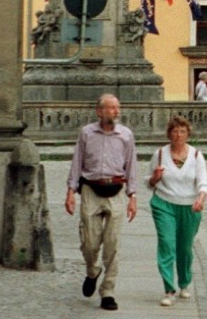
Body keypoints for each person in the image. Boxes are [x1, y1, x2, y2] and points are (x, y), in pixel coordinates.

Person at [65, 93, 139, 313]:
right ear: (99, 111)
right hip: (90, 189)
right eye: (111, 108)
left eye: (118, 107)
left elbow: (131, 165)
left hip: (115, 190)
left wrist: (132, 196)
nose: (116, 111)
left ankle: (108, 291)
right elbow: (77, 161)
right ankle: (92, 270)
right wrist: (70, 192)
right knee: (89, 242)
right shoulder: (86, 133)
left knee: (112, 243)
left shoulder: (126, 135)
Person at [147, 115, 207, 307]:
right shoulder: (159, 154)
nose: (178, 135)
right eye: (175, 131)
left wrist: (200, 198)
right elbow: (148, 182)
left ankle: (184, 282)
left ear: (188, 134)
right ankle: (169, 289)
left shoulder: (196, 155)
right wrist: (155, 178)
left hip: (189, 207)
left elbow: (203, 182)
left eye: (182, 131)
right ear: (169, 134)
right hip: (164, 204)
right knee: (166, 244)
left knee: (184, 248)